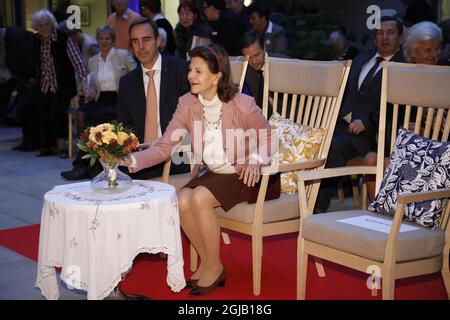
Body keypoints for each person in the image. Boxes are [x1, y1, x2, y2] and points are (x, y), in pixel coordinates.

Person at [123, 43, 279, 296]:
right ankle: (212, 264)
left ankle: (213, 267)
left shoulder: (243, 104)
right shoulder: (187, 103)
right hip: (216, 174)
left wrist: (256, 160)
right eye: (190, 69)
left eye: (198, 71)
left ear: (217, 76)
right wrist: (131, 161)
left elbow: (269, 139)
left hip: (248, 173)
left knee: (198, 197)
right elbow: (165, 146)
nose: (190, 76)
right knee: (181, 199)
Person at [315, 16, 405, 213]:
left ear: (401, 37)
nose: (385, 37)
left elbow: (395, 106)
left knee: (333, 148)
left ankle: (315, 209)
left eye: (390, 33)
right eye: (380, 33)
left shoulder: (403, 67)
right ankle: (298, 199)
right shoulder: (361, 59)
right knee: (313, 140)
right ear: (375, 38)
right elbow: (344, 91)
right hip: (341, 123)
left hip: (372, 133)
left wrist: (368, 121)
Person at [362, 20, 443, 200]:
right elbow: (381, 117)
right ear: (412, 52)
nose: (434, 55)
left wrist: (431, 129)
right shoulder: (402, 78)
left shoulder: (445, 74)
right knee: (371, 159)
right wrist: (404, 128)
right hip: (402, 143)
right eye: (427, 50)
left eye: (437, 49)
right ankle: (381, 213)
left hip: (439, 148)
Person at [117, 17, 191, 181]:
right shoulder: (127, 82)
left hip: (177, 156)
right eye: (135, 41)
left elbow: (192, 120)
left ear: (158, 41)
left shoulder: (181, 70)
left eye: (146, 40)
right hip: (140, 161)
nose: (141, 47)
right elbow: (125, 126)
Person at [61, 25, 137, 180]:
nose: (104, 41)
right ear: (97, 40)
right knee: (83, 114)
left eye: (107, 38)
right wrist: (90, 91)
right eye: (101, 38)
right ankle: (83, 163)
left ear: (113, 40)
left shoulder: (123, 55)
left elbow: (137, 74)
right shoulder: (92, 61)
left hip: (119, 97)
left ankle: (95, 167)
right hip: (101, 98)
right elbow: (94, 86)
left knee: (100, 118)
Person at [32, 9, 88, 158]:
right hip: (44, 85)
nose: (44, 28)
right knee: (43, 114)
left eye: (47, 25)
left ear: (52, 25)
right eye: (40, 25)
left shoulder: (63, 39)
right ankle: (48, 146)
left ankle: (62, 147)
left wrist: (84, 82)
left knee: (59, 115)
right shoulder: (36, 41)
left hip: (63, 85)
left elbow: (79, 62)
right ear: (36, 27)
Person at [1, 27, 40, 152]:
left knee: (27, 110)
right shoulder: (11, 35)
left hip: (30, 79)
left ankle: (31, 141)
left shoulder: (14, 38)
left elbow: (26, 60)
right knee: (24, 110)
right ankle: (29, 140)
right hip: (25, 78)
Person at [239, 30, 288, 110]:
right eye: (249, 58)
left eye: (257, 55)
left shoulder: (283, 64)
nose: (254, 61)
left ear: (264, 48)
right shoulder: (244, 70)